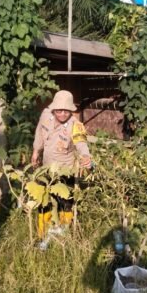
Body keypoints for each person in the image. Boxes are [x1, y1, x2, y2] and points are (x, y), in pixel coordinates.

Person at [31, 90, 91, 243]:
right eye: (59, 110)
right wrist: (36, 151)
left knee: (65, 203)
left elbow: (81, 143)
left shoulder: (75, 125)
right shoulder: (45, 115)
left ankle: (63, 237)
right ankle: (42, 236)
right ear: (54, 109)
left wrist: (85, 156)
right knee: (44, 202)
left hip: (65, 171)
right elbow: (39, 133)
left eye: (66, 111)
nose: (62, 114)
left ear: (71, 110)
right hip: (46, 169)